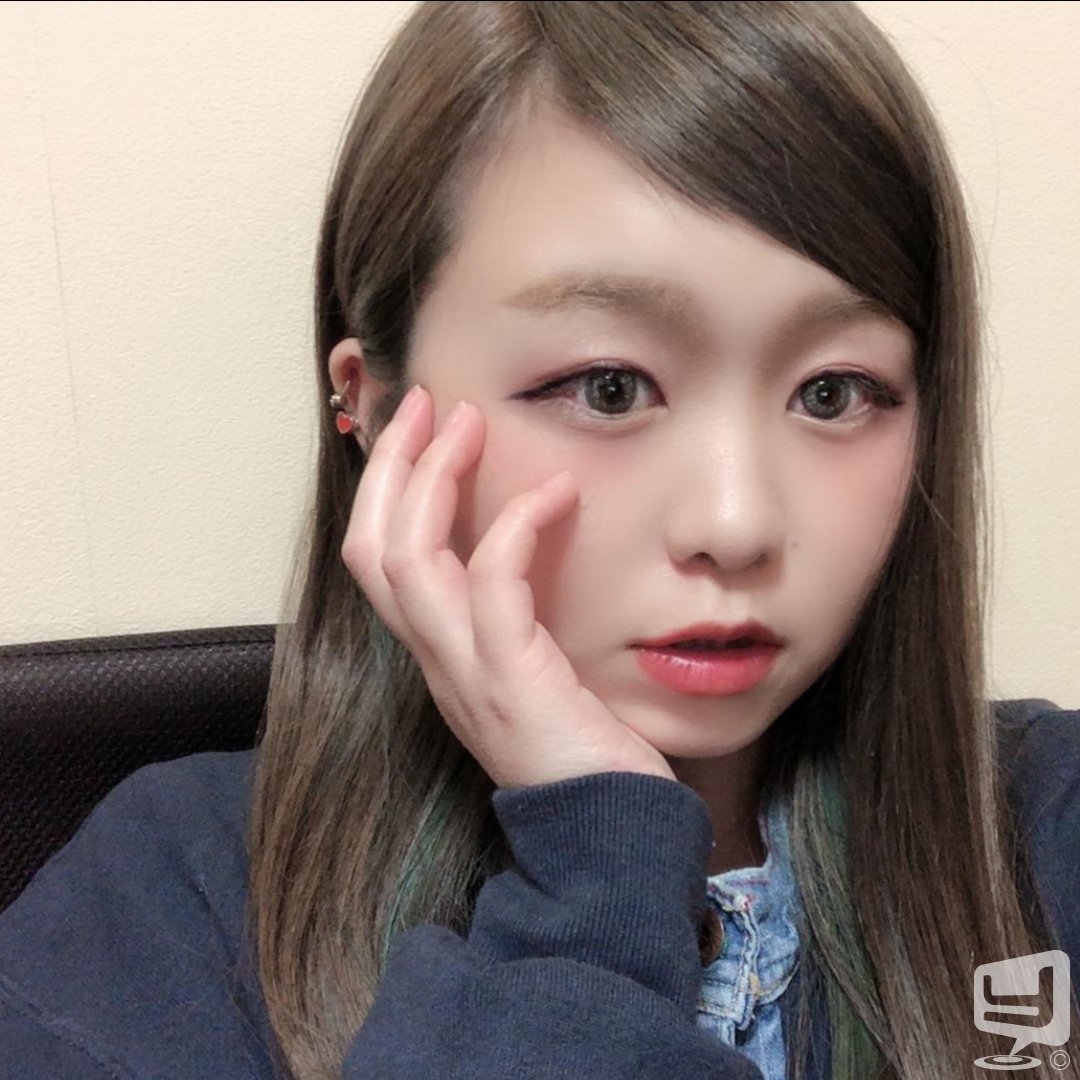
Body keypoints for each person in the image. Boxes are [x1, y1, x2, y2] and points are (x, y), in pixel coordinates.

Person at [1, 2, 1077, 1078]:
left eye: (834, 392)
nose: (735, 522)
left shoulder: (1047, 829)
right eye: (607, 387)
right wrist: (594, 877)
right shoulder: (164, 917)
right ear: (372, 407)